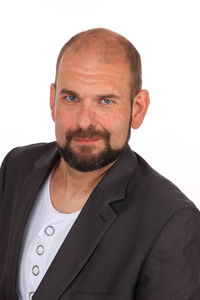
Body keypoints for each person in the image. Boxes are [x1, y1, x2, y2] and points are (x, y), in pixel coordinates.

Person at [0, 28, 200, 300]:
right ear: (52, 100)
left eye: (106, 101)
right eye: (71, 98)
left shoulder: (172, 222)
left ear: (137, 108)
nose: (84, 121)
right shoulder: (16, 168)